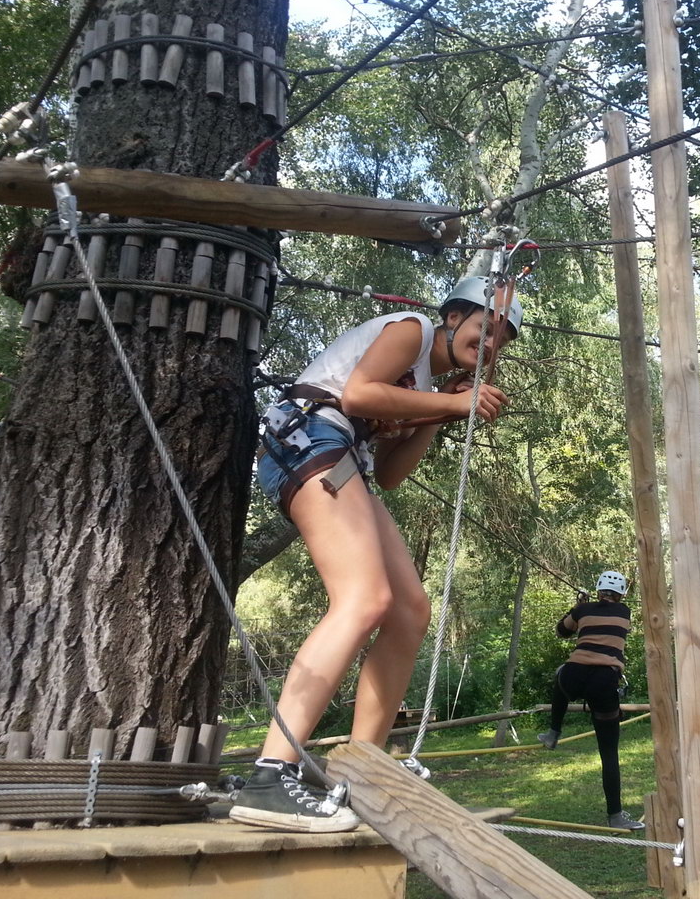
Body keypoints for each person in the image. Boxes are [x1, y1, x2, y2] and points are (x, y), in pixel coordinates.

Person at [230, 276, 521, 832]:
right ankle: (270, 774)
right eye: (486, 328)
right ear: (453, 316)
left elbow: (389, 474)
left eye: (500, 341)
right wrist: (449, 400)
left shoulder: (426, 383)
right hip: (308, 437)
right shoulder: (411, 331)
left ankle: (362, 772)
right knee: (363, 600)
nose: (490, 344)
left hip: (346, 460)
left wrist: (441, 413)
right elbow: (359, 395)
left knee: (409, 610)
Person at [536, 570, 646, 832]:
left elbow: (561, 631)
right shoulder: (625, 612)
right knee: (609, 753)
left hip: (575, 673)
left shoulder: (582, 610)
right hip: (604, 680)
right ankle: (615, 815)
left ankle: (553, 732)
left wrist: (577, 607)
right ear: (622, 594)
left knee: (561, 674)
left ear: (598, 590)